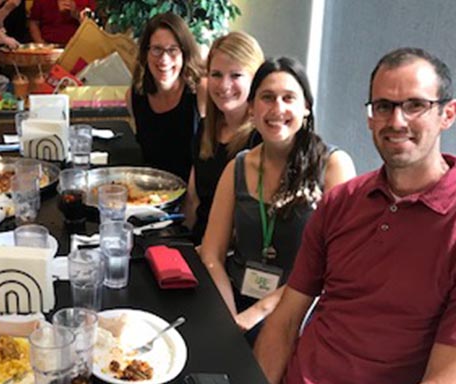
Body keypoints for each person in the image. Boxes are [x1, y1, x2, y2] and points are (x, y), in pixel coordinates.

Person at [254, 47, 456, 383]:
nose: (396, 121)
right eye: (383, 106)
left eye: (415, 105)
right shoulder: (341, 202)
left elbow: (445, 374)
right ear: (370, 116)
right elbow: (286, 319)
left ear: (447, 114)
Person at [197, 57, 355, 343]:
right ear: (252, 108)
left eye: (288, 98)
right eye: (267, 98)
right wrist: (229, 316)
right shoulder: (238, 166)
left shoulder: (333, 166)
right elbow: (211, 254)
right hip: (235, 299)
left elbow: (335, 264)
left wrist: (258, 311)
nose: (277, 109)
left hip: (301, 311)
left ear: (306, 108)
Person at [182, 31, 264, 244]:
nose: (224, 85)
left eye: (235, 75)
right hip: (198, 245)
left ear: (256, 81)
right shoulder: (205, 129)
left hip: (233, 256)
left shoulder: (261, 140)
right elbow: (193, 201)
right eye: (216, 75)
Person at [128, 12, 204, 182]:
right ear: (145, 53)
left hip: (193, 196)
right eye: (157, 49)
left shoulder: (200, 93)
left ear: (184, 53)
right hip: (151, 196)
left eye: (172, 50)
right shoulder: (135, 96)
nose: (164, 59)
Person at [29, 0, 94, 45]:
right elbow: (34, 22)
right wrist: (41, 44)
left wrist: (75, 13)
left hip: (77, 46)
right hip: (48, 45)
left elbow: (92, 27)